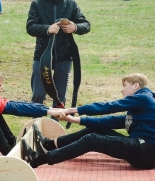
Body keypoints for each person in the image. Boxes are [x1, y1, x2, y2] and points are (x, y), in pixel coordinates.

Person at [21, 73, 155, 170]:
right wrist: (74, 119)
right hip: (142, 149)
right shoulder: (143, 104)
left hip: (145, 153)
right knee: (95, 129)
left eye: (125, 85)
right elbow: (112, 121)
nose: (122, 89)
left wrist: (73, 110)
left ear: (136, 85)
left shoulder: (143, 98)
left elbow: (108, 107)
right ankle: (49, 144)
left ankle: (38, 159)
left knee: (92, 140)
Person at [26, 0, 90, 121]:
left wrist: (75, 27)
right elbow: (30, 27)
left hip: (65, 55)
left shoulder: (71, 4)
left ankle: (54, 129)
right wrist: (47, 28)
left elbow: (86, 24)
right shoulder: (37, 4)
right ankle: (36, 126)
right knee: (38, 94)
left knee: (60, 97)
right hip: (42, 56)